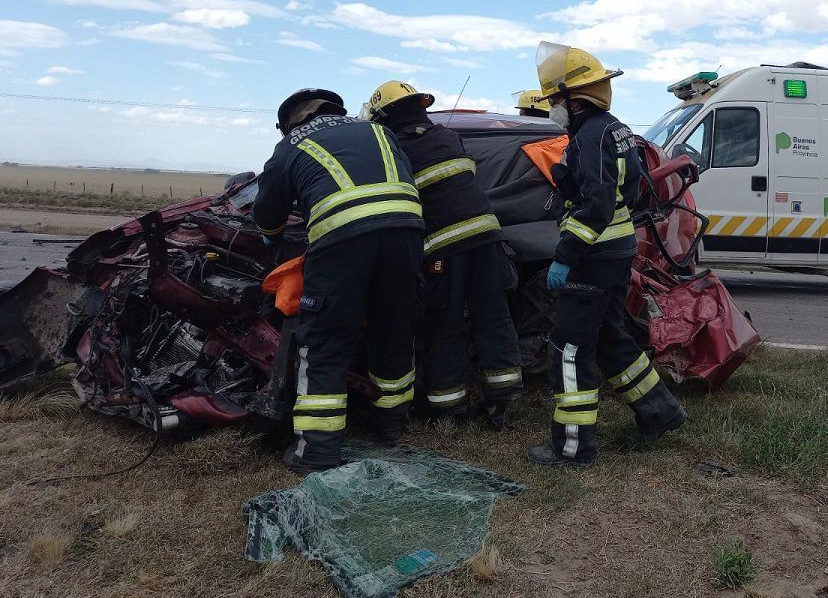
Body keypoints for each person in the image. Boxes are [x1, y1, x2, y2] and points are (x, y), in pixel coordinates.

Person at [527, 42, 687, 467]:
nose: (552, 108)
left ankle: (572, 448)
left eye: (555, 100)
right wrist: (568, 180)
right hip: (617, 251)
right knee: (611, 336)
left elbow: (597, 204)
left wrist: (566, 254)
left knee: (569, 350)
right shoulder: (613, 128)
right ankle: (661, 412)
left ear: (571, 98)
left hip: (592, 258)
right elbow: (628, 190)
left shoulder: (590, 137)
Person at [255, 88, 424, 473]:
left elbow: (268, 212)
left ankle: (315, 451)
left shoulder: (292, 144)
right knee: (394, 330)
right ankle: (390, 427)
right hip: (406, 234)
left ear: (290, 123)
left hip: (343, 241)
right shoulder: (377, 131)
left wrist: (271, 234)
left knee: (325, 339)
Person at [361, 81, 523, 427]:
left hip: (443, 250)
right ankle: (504, 402)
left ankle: (448, 411)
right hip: (488, 240)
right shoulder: (449, 137)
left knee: (444, 325)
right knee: (494, 318)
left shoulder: (394, 149)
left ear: (383, 117)